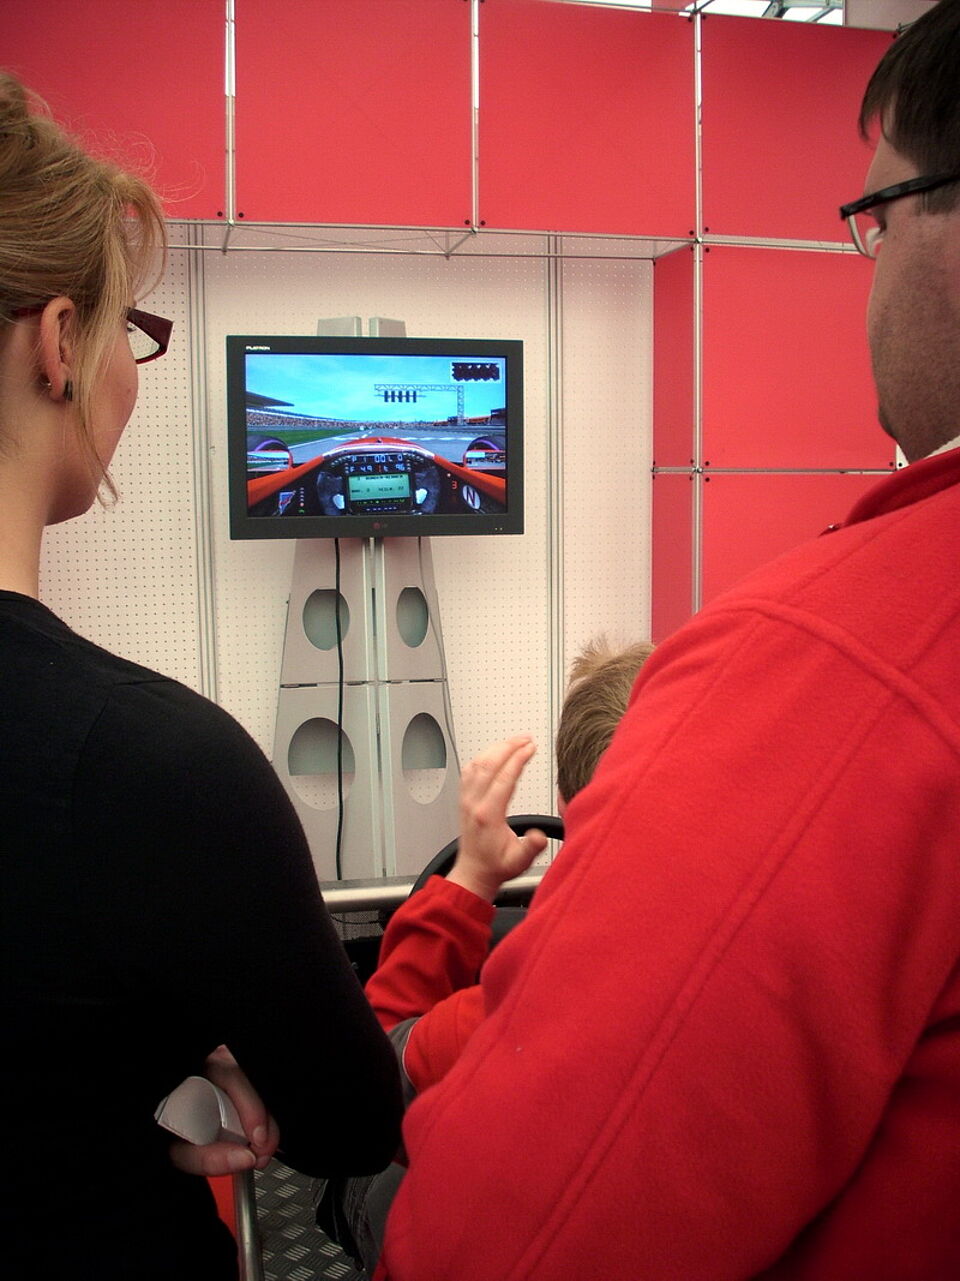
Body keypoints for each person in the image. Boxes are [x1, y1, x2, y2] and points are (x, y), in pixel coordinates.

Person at [378, 4, 960, 1279]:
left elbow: (521, 1234)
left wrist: (461, 889)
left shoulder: (834, 660)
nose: (866, 270)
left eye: (876, 219)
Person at [0, 72, 401, 1281]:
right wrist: (196, 1059)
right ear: (58, 344)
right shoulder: (152, 765)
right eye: (131, 329)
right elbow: (348, 1118)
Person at [319, 639, 654, 1273]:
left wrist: (471, 878)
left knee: (379, 1175)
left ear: (570, 807)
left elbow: (372, 1089)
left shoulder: (508, 1018)